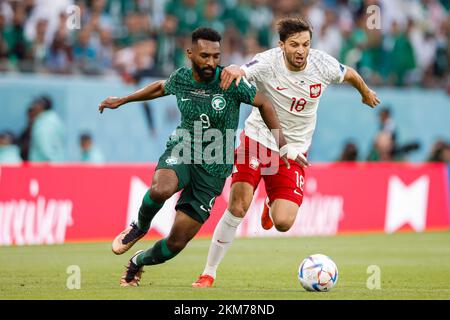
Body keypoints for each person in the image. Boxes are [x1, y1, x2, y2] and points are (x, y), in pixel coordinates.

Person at [98, 27, 298, 287]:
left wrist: (281, 145)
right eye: (205, 56)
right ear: (190, 53)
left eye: (216, 56)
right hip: (184, 149)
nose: (211, 63)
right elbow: (161, 87)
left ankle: (139, 261)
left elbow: (264, 103)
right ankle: (140, 225)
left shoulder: (231, 82)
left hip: (214, 169)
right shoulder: (182, 78)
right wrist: (122, 100)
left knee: (176, 243)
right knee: (161, 189)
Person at [192, 17, 380, 288]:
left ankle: (270, 205)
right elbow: (243, 69)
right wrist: (234, 69)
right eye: (294, 44)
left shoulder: (322, 64)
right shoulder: (268, 62)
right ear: (281, 45)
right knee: (238, 206)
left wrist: (364, 92)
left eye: (305, 44)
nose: (301, 50)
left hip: (293, 150)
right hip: (258, 139)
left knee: (283, 222)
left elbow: (349, 73)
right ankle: (209, 272)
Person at [28, 95, 66, 162]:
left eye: (35, 104)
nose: (33, 106)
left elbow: (45, 144)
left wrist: (50, 160)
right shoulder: (54, 119)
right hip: (54, 163)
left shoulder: (45, 123)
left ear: (41, 105)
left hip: (44, 165)